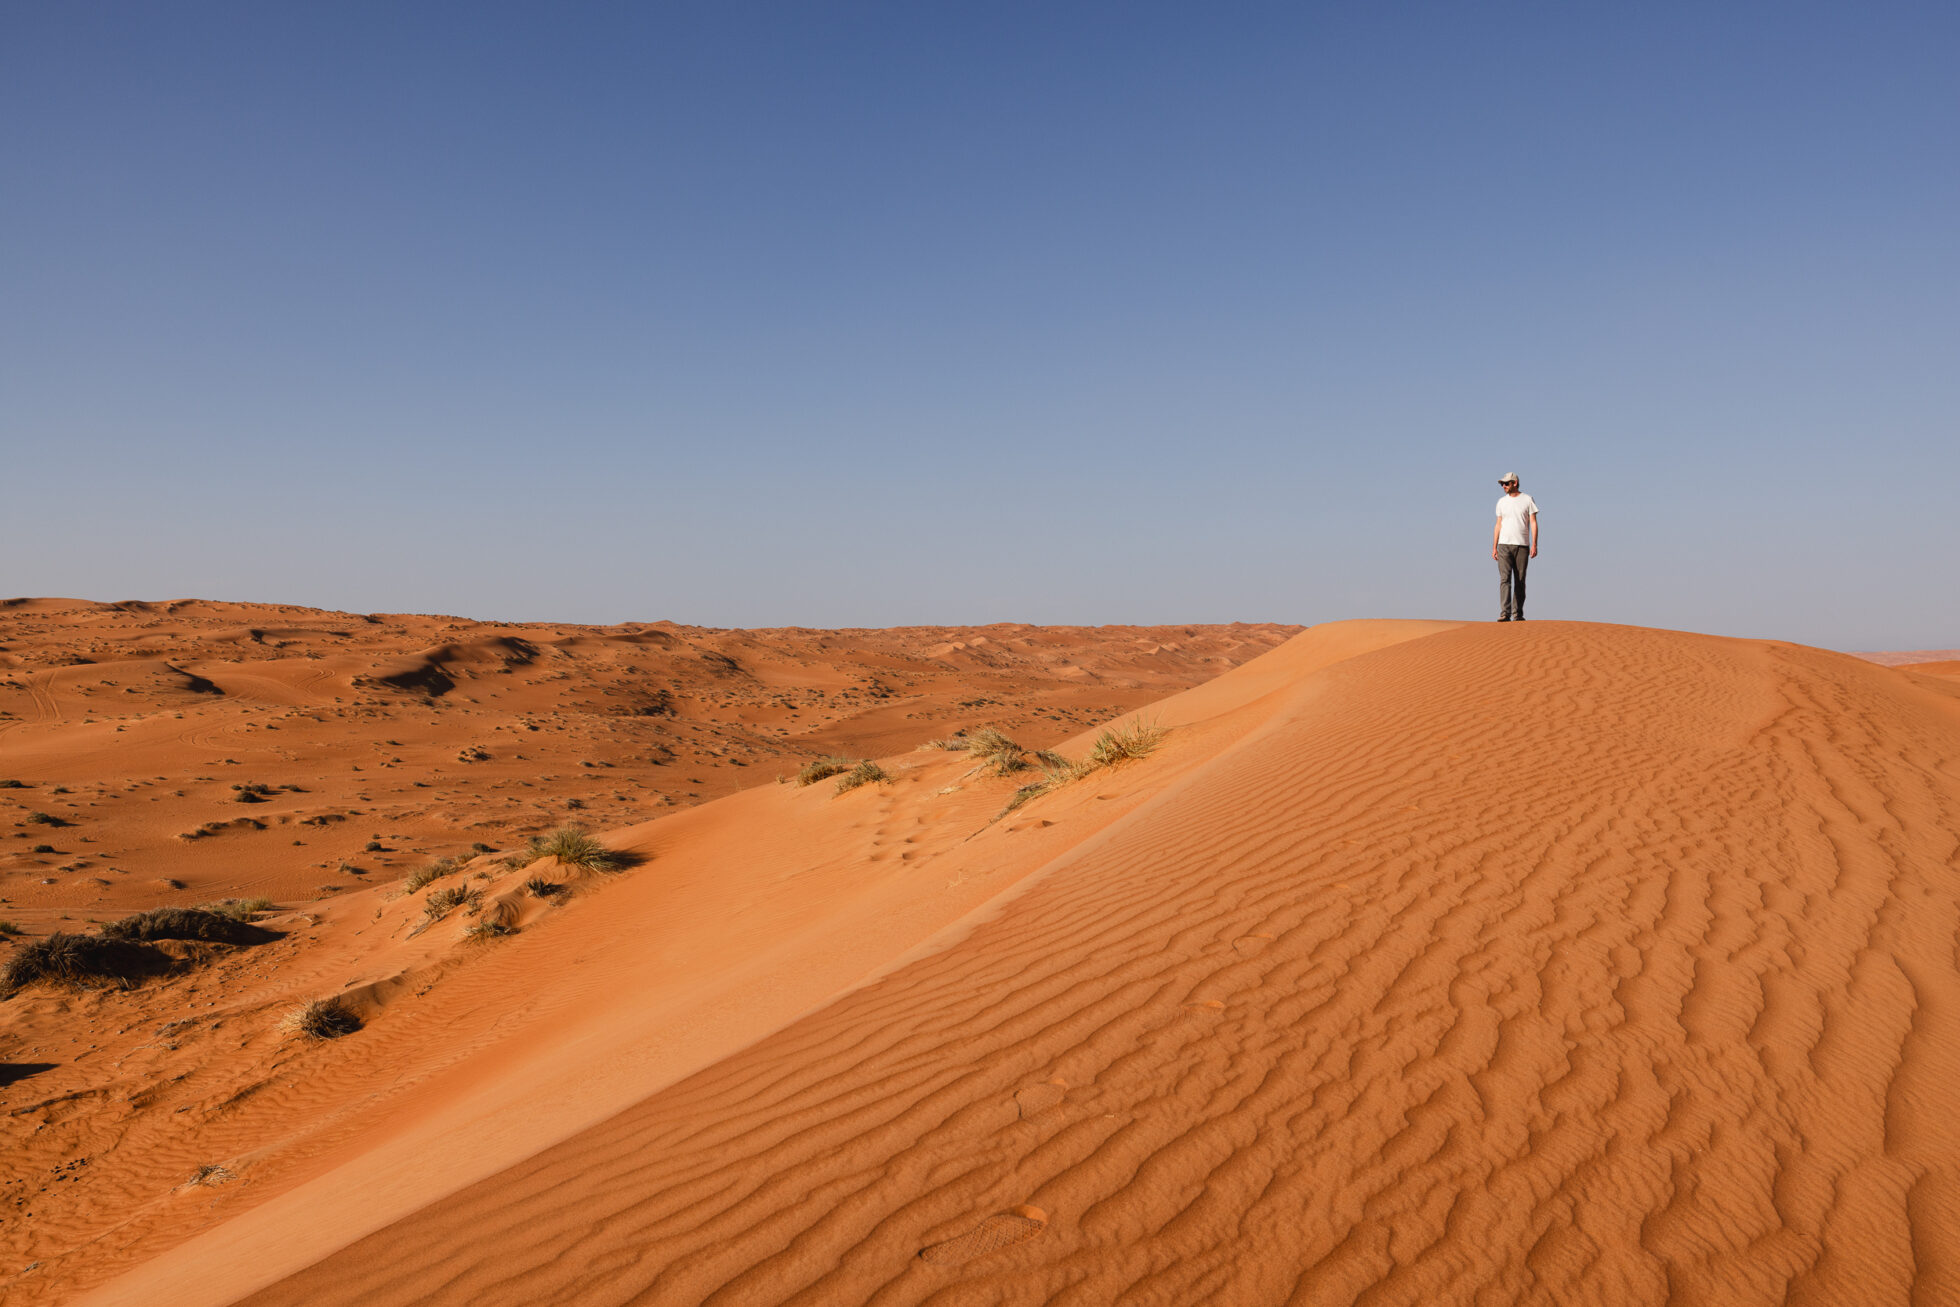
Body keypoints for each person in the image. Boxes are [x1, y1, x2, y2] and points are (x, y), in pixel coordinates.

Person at [1491, 473, 1539, 621]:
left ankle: (1517, 613)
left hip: (1522, 545)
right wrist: (1494, 547)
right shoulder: (1501, 502)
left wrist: (1534, 543)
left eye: (1506, 483)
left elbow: (1533, 522)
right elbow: (1498, 524)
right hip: (1504, 545)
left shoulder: (1527, 499)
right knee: (1505, 579)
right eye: (1502, 484)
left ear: (1515, 483)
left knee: (1520, 579)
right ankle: (1505, 612)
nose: (1504, 486)